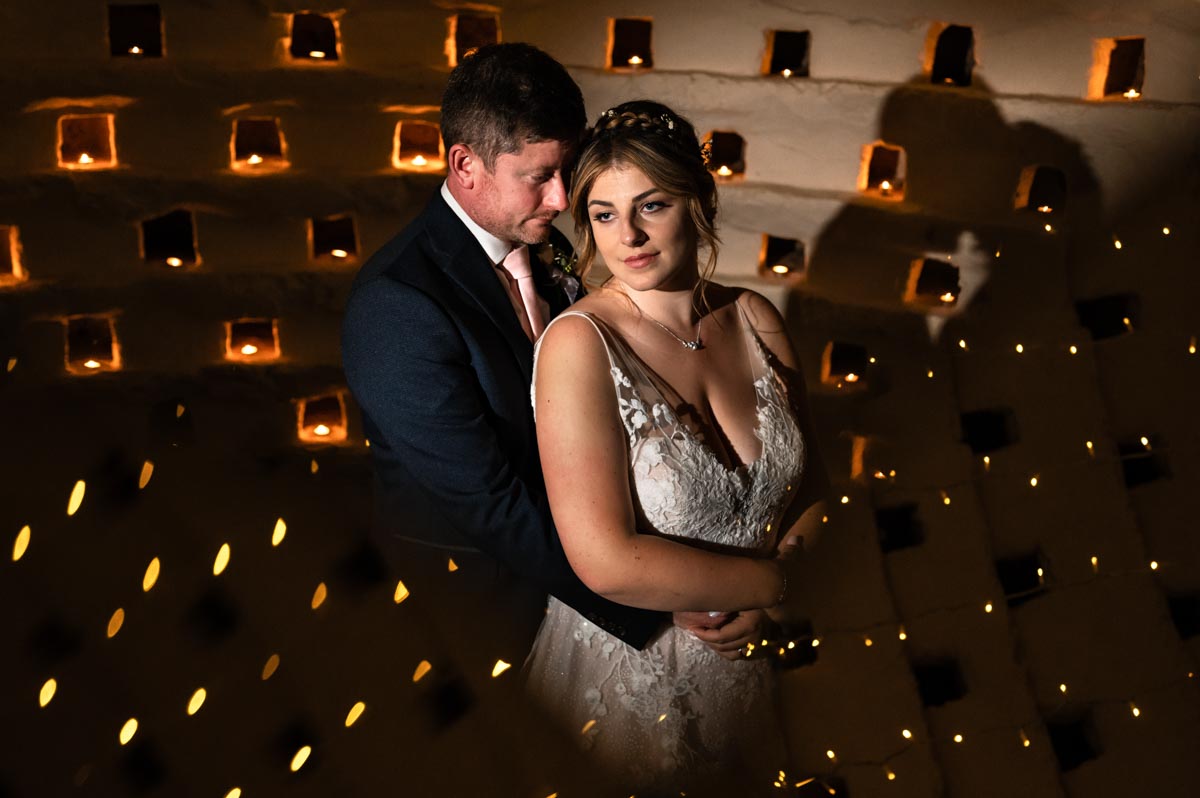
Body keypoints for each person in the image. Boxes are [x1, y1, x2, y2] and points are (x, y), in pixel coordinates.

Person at [523, 100, 831, 795]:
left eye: (650, 205)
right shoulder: (579, 344)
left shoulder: (754, 317)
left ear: (698, 199)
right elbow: (603, 558)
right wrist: (771, 584)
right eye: (603, 214)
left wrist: (780, 596)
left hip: (757, 670)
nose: (626, 234)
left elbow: (815, 490)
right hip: (632, 686)